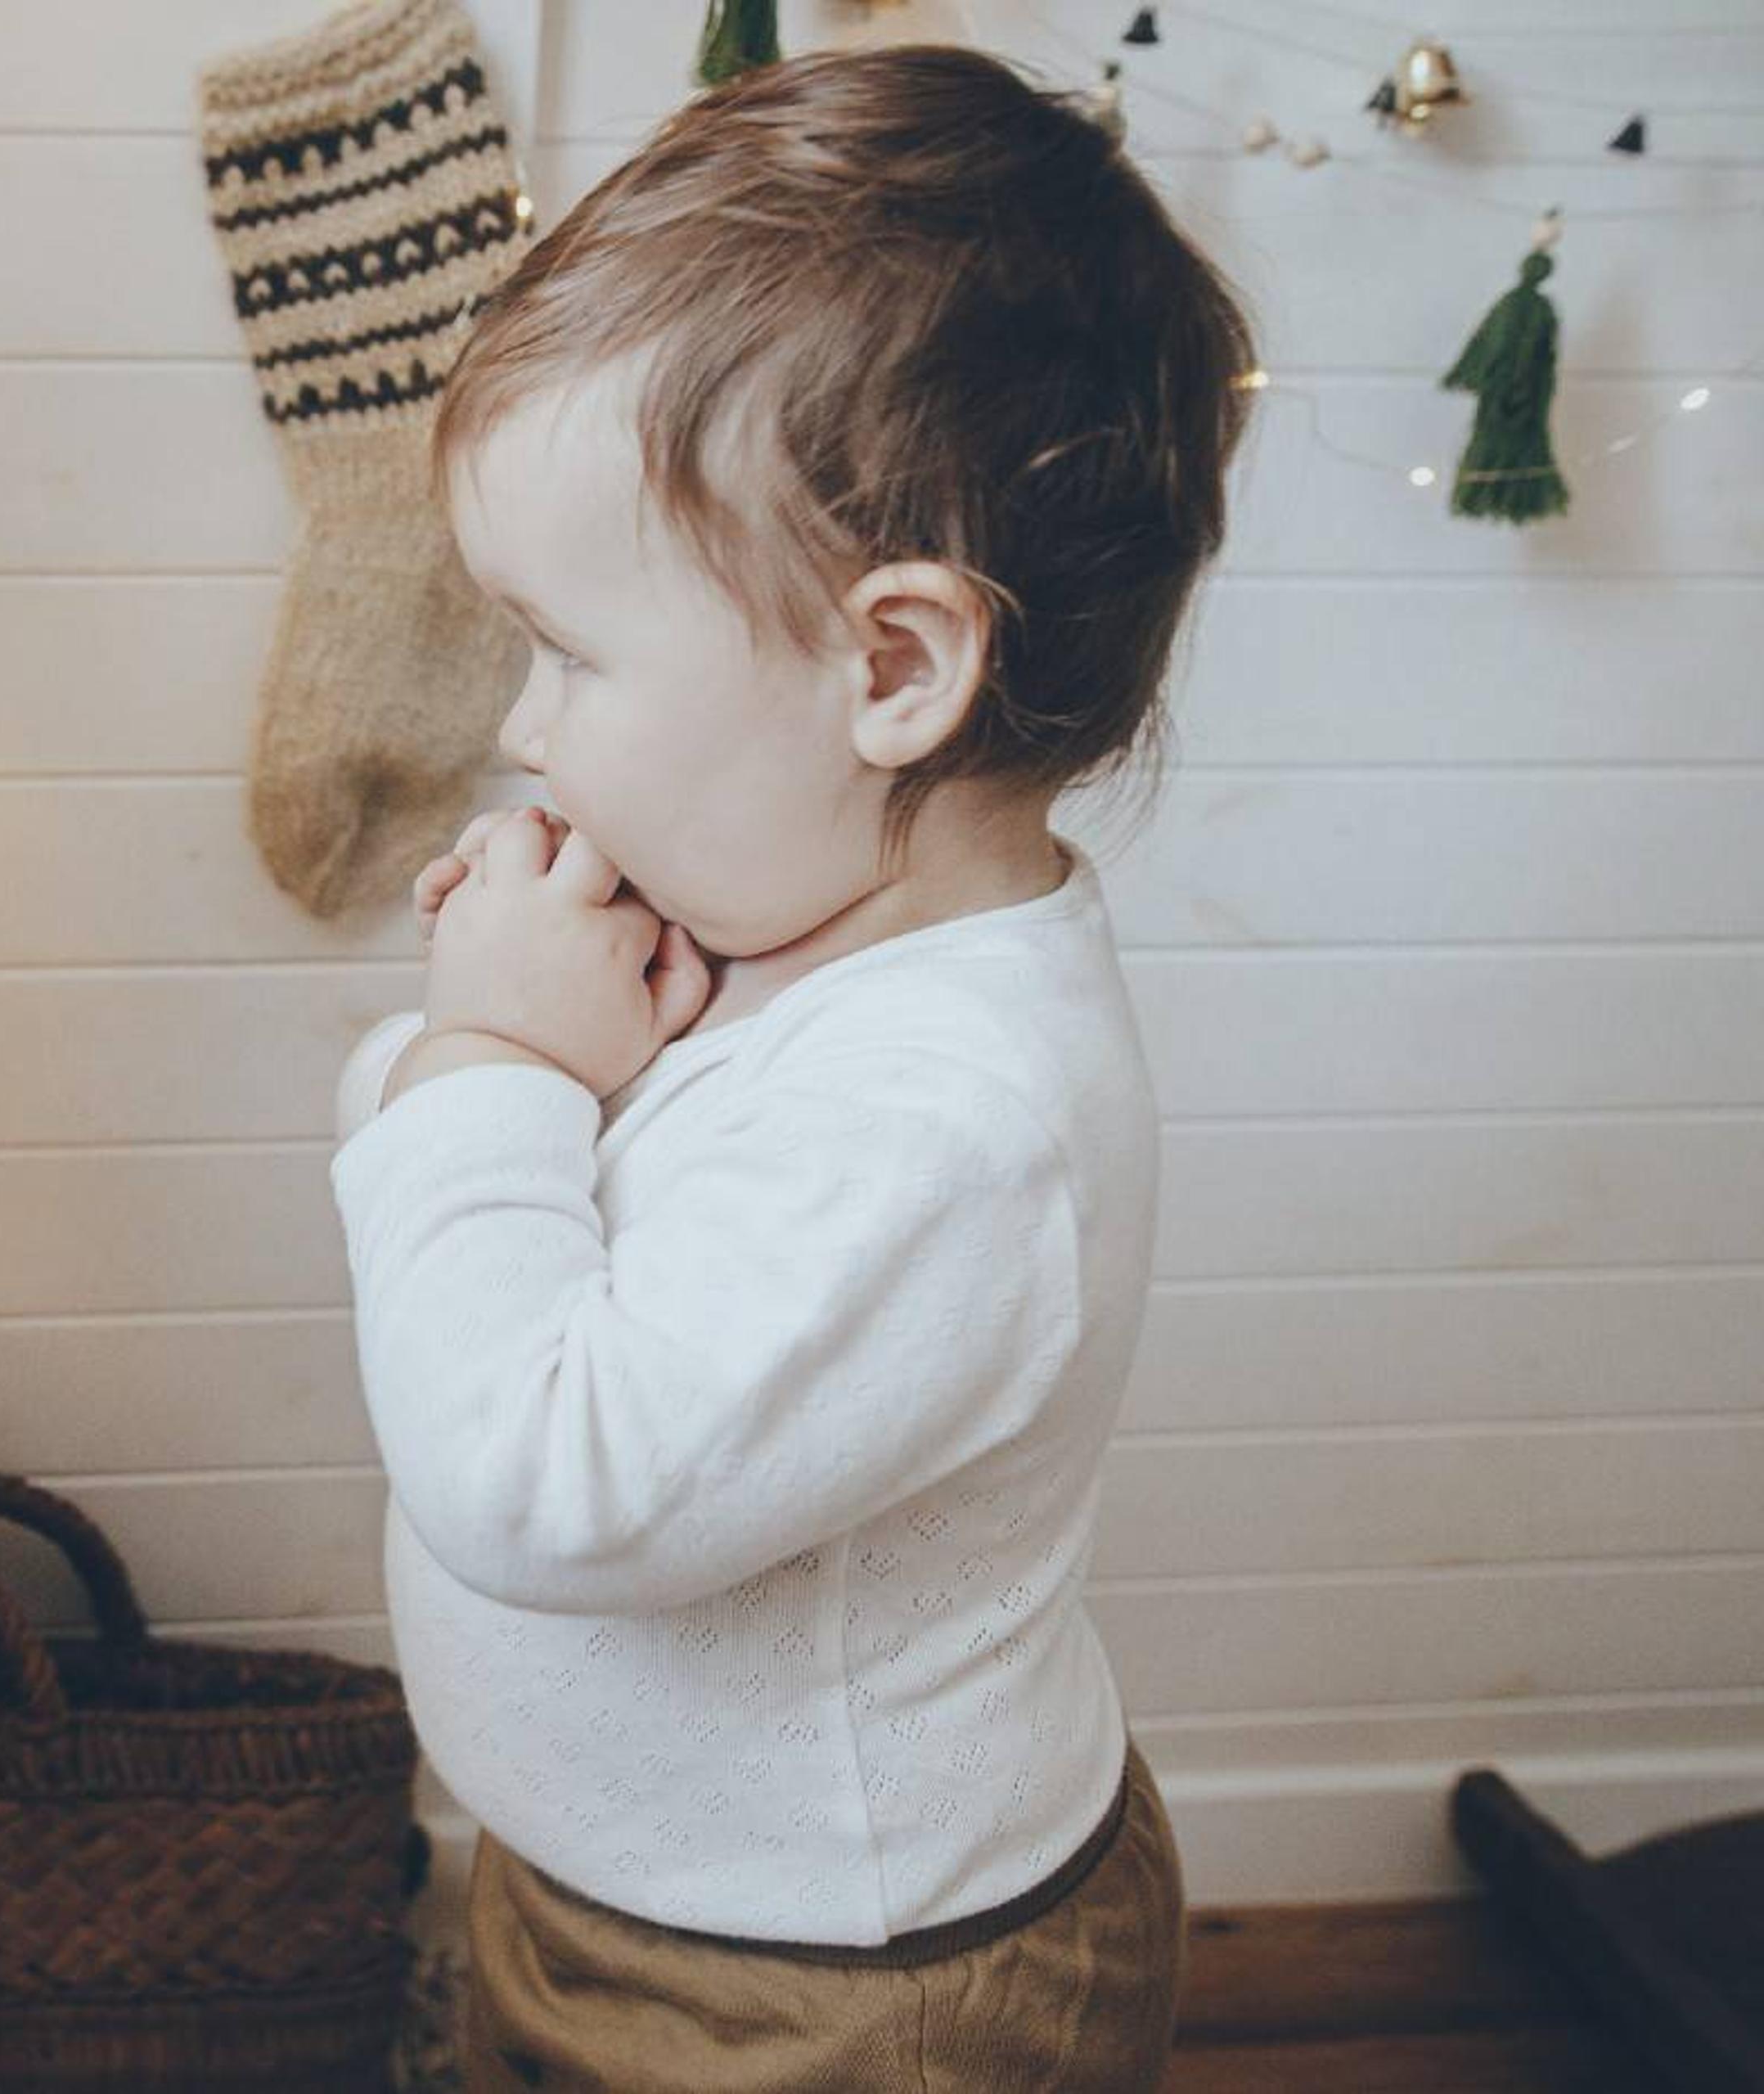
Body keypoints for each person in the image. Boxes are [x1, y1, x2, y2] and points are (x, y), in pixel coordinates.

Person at [325, 36, 1261, 2092]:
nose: (530, 728)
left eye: (573, 647)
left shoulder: (942, 1120)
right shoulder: (776, 933)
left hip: (841, 1990)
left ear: (895, 669)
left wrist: (490, 1053)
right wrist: (489, 1048)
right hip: (629, 1883)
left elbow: (536, 1477)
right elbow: (464, 1154)